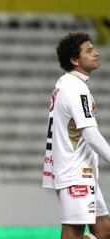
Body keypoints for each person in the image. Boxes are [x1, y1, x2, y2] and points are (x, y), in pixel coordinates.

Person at [42, 32, 110, 239]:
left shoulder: (67, 84)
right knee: (73, 233)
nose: (95, 54)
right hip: (76, 174)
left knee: (104, 231)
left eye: (94, 49)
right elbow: (91, 135)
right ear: (75, 60)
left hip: (83, 173)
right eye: (88, 51)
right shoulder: (75, 89)